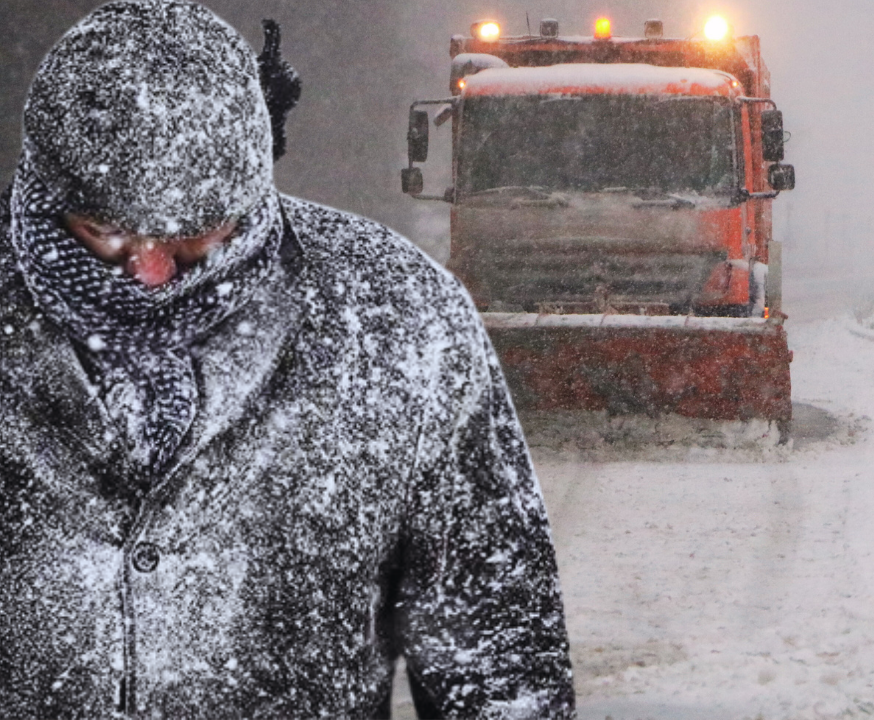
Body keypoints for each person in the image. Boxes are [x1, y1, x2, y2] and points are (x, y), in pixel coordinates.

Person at [0, 1, 575, 717]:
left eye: (195, 237)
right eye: (105, 233)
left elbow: (495, 650)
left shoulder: (396, 315)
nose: (151, 274)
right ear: (44, 195)